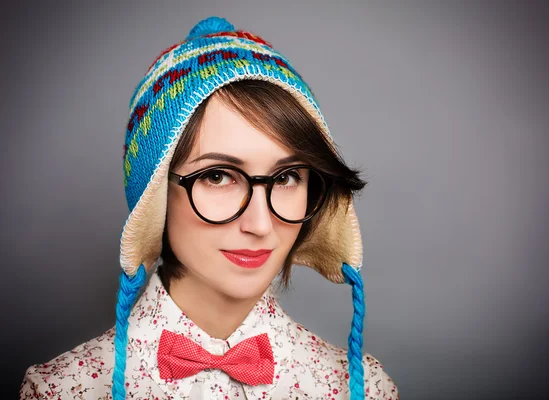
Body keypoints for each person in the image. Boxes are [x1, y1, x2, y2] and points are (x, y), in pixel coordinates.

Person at [20, 16, 399, 400]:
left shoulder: (364, 390)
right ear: (155, 195)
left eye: (285, 178)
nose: (260, 223)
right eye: (218, 176)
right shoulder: (61, 390)